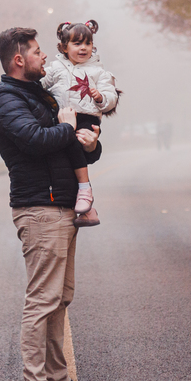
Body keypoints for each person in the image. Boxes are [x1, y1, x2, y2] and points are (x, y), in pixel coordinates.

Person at [0, 26, 104, 381]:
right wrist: (68, 127)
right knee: (42, 299)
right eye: (37, 52)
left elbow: (69, 142)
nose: (44, 57)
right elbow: (36, 140)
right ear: (19, 59)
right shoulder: (4, 98)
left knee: (61, 296)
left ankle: (57, 379)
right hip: (40, 208)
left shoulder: (41, 94)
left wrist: (90, 141)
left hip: (63, 206)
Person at [40, 20, 119, 227]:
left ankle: (85, 188)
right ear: (64, 47)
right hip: (63, 116)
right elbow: (39, 84)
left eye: (87, 43)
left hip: (87, 118)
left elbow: (111, 98)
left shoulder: (99, 72)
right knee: (65, 159)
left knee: (74, 144)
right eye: (76, 43)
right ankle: (88, 210)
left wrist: (100, 97)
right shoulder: (56, 68)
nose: (83, 48)